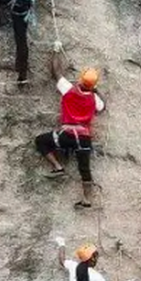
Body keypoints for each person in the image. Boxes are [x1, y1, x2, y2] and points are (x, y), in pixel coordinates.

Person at [36, 51, 106, 209]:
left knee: (40, 141)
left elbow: (56, 72)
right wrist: (96, 90)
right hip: (83, 138)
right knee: (84, 168)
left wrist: (55, 52)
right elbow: (103, 107)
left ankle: (58, 167)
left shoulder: (68, 89)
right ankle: (87, 199)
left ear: (80, 79)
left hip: (66, 135)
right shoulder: (94, 98)